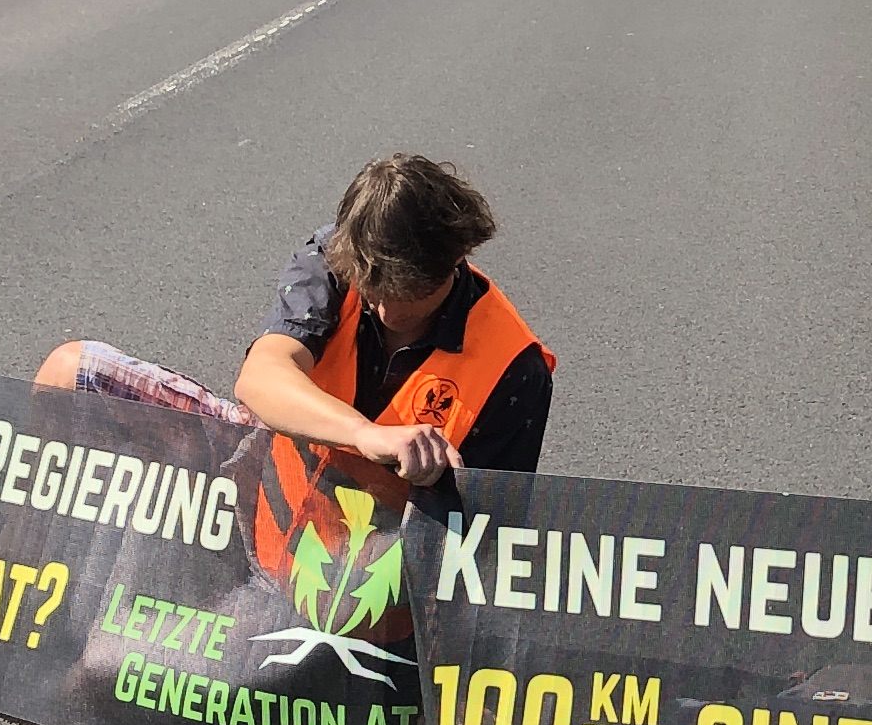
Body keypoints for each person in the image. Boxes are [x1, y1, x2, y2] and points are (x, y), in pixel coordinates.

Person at [37, 151, 552, 495]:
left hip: (359, 557)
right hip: (264, 467)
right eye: (372, 291)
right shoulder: (335, 257)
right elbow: (261, 377)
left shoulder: (515, 370)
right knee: (71, 372)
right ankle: (15, 558)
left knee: (112, 658)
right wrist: (366, 435)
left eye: (408, 295)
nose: (384, 311)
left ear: (456, 260)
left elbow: (488, 534)